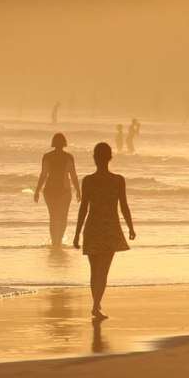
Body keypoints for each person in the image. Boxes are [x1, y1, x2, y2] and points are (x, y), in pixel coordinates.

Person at [73, 142, 136, 320]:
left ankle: (97, 305)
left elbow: (83, 208)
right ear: (110, 158)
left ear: (94, 158)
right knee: (103, 271)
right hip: (110, 229)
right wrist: (130, 226)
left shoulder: (88, 181)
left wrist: (77, 233)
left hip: (92, 229)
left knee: (94, 271)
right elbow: (124, 205)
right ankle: (95, 306)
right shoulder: (118, 180)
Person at [34, 132, 81, 248]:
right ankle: (58, 241)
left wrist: (37, 191)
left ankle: (55, 241)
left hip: (49, 191)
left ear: (53, 143)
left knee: (53, 217)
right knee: (63, 217)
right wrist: (78, 191)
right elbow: (73, 176)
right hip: (64, 191)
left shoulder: (47, 156)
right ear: (64, 143)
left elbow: (43, 175)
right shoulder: (69, 157)